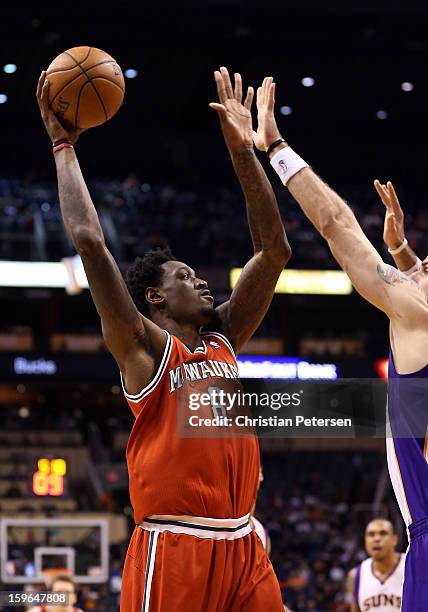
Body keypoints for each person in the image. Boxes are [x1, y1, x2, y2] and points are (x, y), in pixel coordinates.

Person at [37, 66, 290, 612]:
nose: (201, 280)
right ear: (154, 298)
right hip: (174, 544)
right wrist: (63, 144)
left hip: (245, 543)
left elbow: (273, 251)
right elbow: (89, 242)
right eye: (184, 276)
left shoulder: (222, 340)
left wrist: (243, 150)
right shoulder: (144, 349)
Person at [253, 75, 428, 612]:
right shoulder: (416, 304)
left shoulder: (415, 312)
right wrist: (405, 260)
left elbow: (335, 224)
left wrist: (276, 148)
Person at [346, 519, 404, 611]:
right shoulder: (356, 575)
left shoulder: (410, 567)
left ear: (394, 539)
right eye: (371, 534)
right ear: (365, 541)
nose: (376, 539)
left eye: (383, 533)